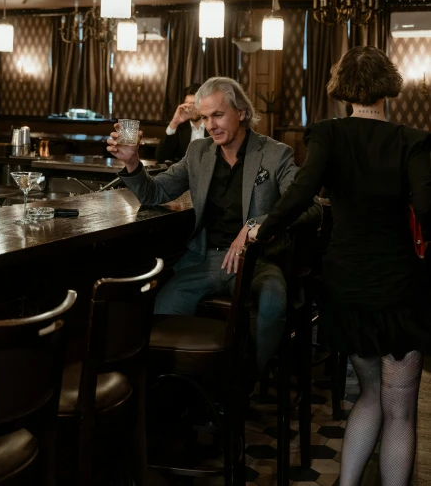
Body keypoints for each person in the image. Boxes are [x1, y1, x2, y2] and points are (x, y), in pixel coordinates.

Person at [249, 46, 431, 486]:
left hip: (347, 281)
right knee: (400, 410)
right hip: (398, 285)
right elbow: (428, 210)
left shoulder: (327, 133)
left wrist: (262, 230)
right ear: (389, 86)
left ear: (341, 89)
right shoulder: (412, 140)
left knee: (367, 395)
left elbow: (300, 194)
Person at [108, 76, 321, 375]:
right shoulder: (199, 153)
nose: (211, 125)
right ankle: (184, 395)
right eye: (205, 117)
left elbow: (310, 208)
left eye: (218, 115)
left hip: (257, 260)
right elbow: (155, 193)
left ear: (242, 112)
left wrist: (254, 226)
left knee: (272, 306)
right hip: (204, 259)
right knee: (160, 311)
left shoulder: (275, 154)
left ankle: (246, 382)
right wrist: (132, 163)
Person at [155, 83, 204, 163]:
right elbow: (160, 157)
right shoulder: (180, 128)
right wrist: (174, 122)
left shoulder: (212, 126)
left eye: (195, 103)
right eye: (188, 103)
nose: (191, 108)